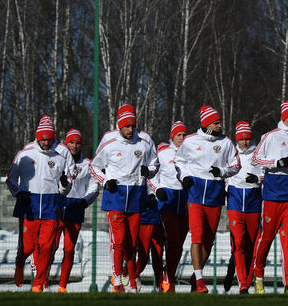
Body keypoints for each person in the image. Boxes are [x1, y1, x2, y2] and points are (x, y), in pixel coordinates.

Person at [89, 104, 159, 293]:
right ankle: (118, 281)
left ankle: (132, 277)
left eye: (132, 126)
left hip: (136, 196)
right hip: (115, 196)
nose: (130, 129)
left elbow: (155, 163)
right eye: (126, 126)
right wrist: (105, 181)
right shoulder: (108, 140)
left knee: (132, 242)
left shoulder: (144, 141)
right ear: (120, 125)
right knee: (118, 240)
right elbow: (94, 166)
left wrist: (149, 171)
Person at [175, 105, 240, 293]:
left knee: (208, 240)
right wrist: (184, 176)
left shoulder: (226, 142)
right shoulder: (190, 141)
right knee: (197, 236)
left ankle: (196, 278)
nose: (220, 125)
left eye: (220, 122)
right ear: (207, 123)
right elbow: (179, 161)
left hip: (215, 194)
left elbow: (236, 165)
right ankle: (201, 281)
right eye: (216, 122)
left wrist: (222, 171)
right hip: (195, 194)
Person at [6, 115, 74, 292]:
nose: (46, 142)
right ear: (38, 137)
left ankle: (38, 283)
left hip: (51, 206)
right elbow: (10, 178)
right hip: (30, 205)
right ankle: (20, 263)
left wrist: (65, 185)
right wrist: (18, 192)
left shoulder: (60, 158)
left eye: (49, 139)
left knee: (46, 247)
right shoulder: (25, 154)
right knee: (28, 246)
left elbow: (65, 187)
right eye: (43, 138)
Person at [250, 100, 288, 294]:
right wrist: (275, 162)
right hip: (274, 193)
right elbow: (255, 158)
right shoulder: (271, 136)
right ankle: (258, 276)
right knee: (266, 238)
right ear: (283, 118)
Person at [55, 128, 100, 293]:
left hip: (76, 208)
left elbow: (94, 187)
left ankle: (62, 286)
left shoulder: (88, 164)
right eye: (71, 142)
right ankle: (42, 281)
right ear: (66, 143)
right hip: (58, 206)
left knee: (69, 249)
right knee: (50, 246)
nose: (74, 146)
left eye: (77, 142)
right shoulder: (57, 160)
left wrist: (85, 201)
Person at [148, 122, 190, 293]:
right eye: (178, 135)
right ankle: (164, 279)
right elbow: (150, 174)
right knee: (171, 238)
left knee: (179, 243)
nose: (182, 138)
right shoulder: (163, 153)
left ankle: (169, 278)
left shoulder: (191, 152)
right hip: (167, 200)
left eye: (184, 135)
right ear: (172, 136)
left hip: (185, 201)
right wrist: (158, 190)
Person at [224, 121, 262, 293]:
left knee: (251, 244)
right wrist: (225, 188)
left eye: (247, 139)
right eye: (241, 139)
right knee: (238, 243)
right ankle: (242, 283)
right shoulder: (230, 152)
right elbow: (224, 172)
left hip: (254, 200)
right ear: (236, 139)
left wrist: (258, 180)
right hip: (235, 199)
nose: (245, 142)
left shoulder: (258, 152)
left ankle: (245, 277)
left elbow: (266, 173)